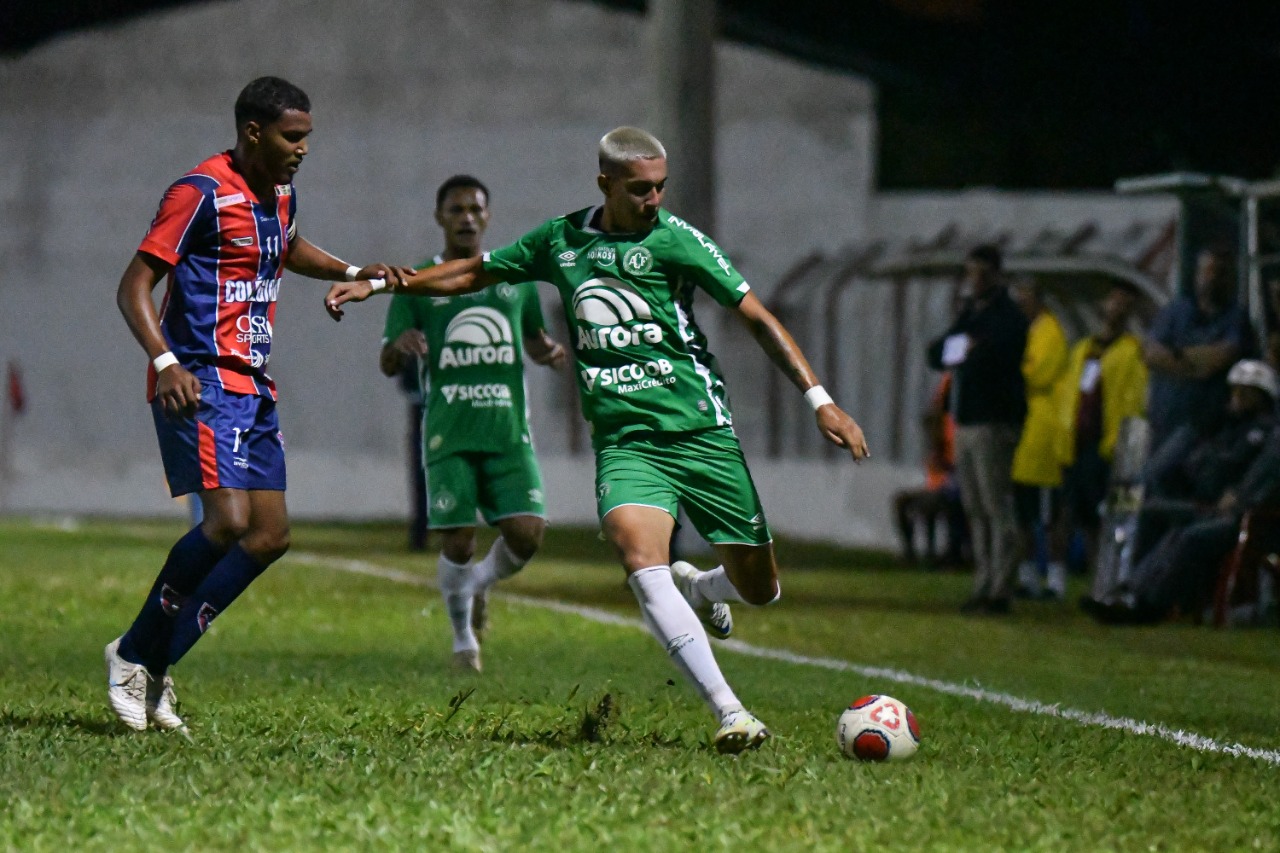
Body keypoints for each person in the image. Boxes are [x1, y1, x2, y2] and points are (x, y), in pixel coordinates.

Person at [326, 126, 870, 754]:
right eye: (641, 189)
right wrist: (386, 283)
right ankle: (731, 713)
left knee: (760, 590)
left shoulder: (677, 239)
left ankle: (701, 587)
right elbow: (473, 273)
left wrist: (820, 401)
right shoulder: (560, 241)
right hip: (626, 441)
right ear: (605, 184)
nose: (654, 199)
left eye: (661, 187)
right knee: (641, 563)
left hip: (702, 432)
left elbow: (758, 317)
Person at [106, 77, 413, 732]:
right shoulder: (201, 193)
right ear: (253, 132)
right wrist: (165, 363)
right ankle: (132, 652)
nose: (303, 149)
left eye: (306, 138)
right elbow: (134, 285)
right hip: (201, 379)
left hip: (254, 383)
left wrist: (353, 272)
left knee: (270, 534)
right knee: (225, 520)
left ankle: (159, 667)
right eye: (292, 137)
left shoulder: (278, 192)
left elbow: (287, 245)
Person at [379, 175, 566, 672]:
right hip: (449, 431)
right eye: (456, 209)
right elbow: (387, 358)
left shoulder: (514, 279)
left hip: (507, 432)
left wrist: (548, 352)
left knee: (527, 535)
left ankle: (482, 582)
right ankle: (464, 639)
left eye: (475, 209)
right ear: (439, 218)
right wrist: (399, 347)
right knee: (458, 540)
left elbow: (533, 339)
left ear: (488, 217)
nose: (466, 217)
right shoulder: (417, 280)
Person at [1084, 361, 1280, 624]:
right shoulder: (1221, 428)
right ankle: (1125, 589)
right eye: (1235, 391)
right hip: (1206, 506)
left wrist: (1240, 495)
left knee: (1189, 536)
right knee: (1151, 513)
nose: (1237, 398)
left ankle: (1150, 604)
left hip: (1242, 516)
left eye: (1246, 392)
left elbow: (1258, 479)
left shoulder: (1268, 435)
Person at [926, 245, 1029, 615]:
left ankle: (1001, 588)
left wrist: (968, 349)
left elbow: (990, 354)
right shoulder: (972, 313)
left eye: (982, 274)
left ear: (997, 275)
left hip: (994, 422)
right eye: (972, 273)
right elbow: (937, 352)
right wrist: (964, 348)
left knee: (996, 506)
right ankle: (984, 583)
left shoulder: (1007, 317)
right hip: (967, 421)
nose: (976, 281)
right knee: (976, 507)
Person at [1143, 246, 1254, 452]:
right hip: (1163, 426)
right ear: (1197, 274)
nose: (1211, 279)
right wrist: (1194, 362)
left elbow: (1216, 362)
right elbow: (1150, 356)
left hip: (1205, 432)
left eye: (1219, 273)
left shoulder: (1235, 318)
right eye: (1207, 271)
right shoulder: (1175, 312)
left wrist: (1175, 355)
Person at [1008, 278, 1070, 599]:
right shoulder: (1030, 332)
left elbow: (1035, 374)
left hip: (1044, 435)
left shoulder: (1050, 333)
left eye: (1025, 297)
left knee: (1048, 514)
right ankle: (1030, 576)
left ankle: (1055, 579)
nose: (1020, 304)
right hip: (1026, 435)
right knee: (1025, 512)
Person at [893, 373, 968, 568]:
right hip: (938, 489)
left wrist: (944, 466)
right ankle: (910, 553)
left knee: (934, 504)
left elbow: (955, 471)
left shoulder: (952, 438)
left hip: (952, 491)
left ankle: (937, 554)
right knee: (902, 500)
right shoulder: (936, 445)